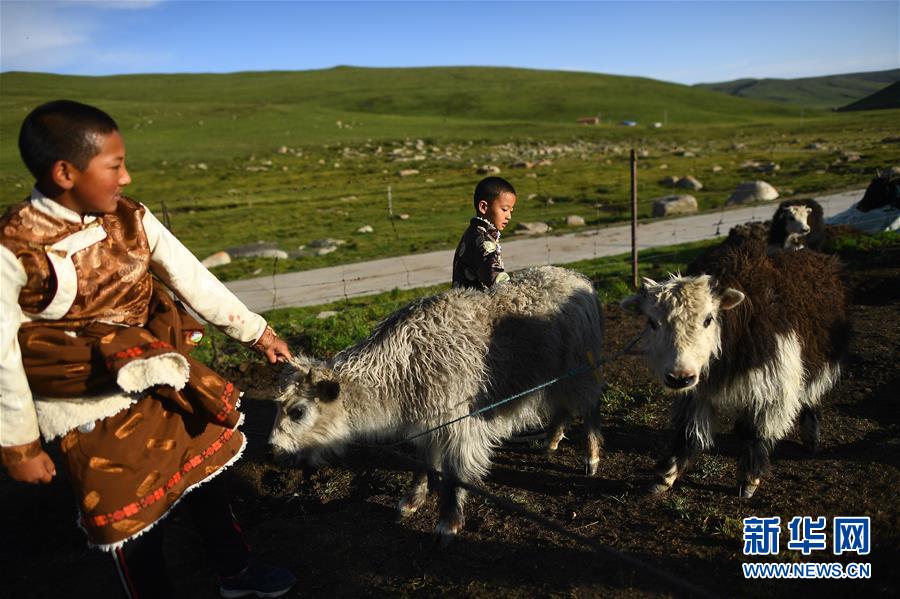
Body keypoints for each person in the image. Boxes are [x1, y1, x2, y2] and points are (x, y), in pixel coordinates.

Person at [0, 100, 296, 598]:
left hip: (163, 377)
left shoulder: (132, 218)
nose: (127, 177)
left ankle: (236, 572)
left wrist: (257, 332)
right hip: (86, 408)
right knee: (133, 525)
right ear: (64, 172)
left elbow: (190, 277)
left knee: (203, 479)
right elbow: (4, 354)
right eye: (114, 166)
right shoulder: (13, 248)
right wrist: (20, 445)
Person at [451, 176, 517, 290]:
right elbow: (495, 278)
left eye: (511, 211)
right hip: (472, 303)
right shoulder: (482, 240)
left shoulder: (475, 232)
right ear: (483, 207)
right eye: (504, 210)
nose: (509, 216)